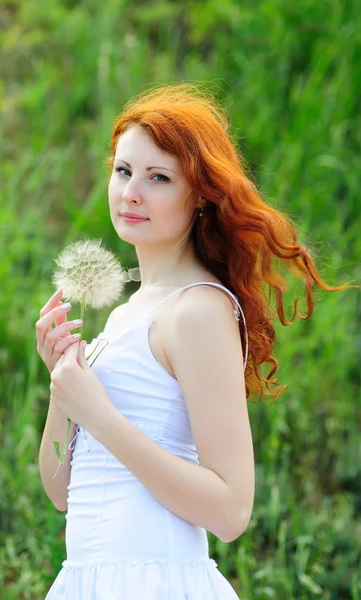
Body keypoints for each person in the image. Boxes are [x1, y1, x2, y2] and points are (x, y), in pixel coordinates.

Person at [37, 84, 348, 599]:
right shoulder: (124, 316)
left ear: (200, 195)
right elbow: (60, 492)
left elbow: (231, 511)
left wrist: (99, 417)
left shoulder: (198, 311)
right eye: (123, 170)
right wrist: (61, 390)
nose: (131, 192)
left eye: (158, 177)